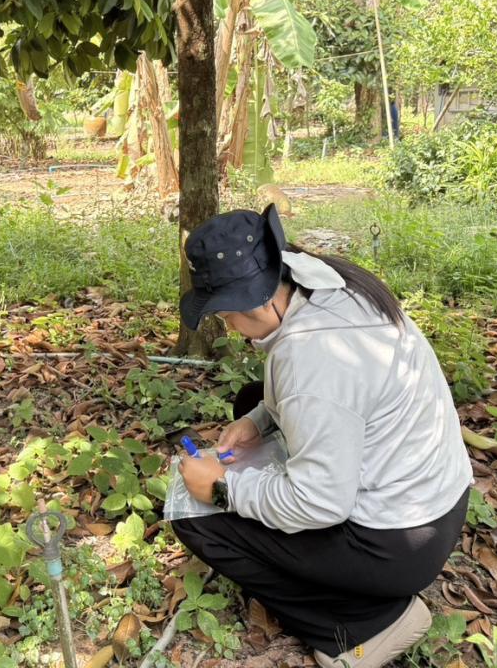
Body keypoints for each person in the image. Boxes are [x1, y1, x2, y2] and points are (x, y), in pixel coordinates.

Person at [172, 205, 472, 667]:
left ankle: (365, 625)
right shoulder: (322, 279)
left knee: (195, 518)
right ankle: (355, 591)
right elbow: (318, 397)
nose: (228, 328)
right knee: (253, 398)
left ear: (253, 303)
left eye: (224, 316)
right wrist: (257, 420)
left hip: (396, 544)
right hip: (436, 502)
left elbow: (320, 503)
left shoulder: (312, 360)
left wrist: (220, 488)